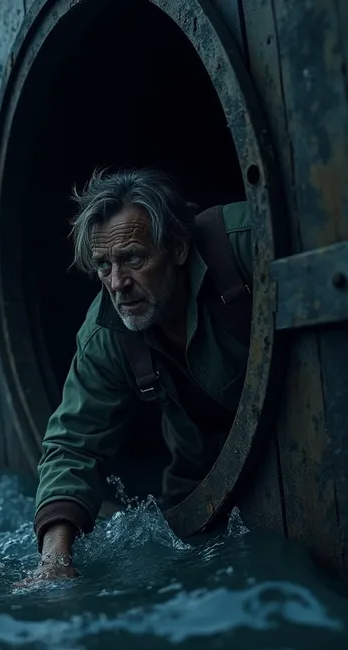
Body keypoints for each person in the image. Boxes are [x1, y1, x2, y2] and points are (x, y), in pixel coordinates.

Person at [32, 168, 253, 580]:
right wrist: (54, 559)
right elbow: (73, 444)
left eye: (133, 257)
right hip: (201, 483)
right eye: (102, 266)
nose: (117, 283)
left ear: (178, 249)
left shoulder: (244, 243)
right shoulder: (105, 333)